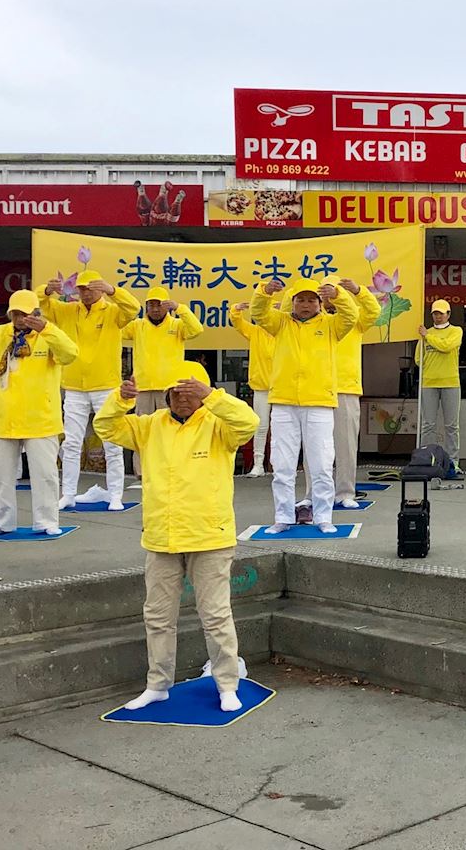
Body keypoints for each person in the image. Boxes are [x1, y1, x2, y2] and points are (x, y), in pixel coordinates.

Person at [94, 360, 259, 714]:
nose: (182, 398)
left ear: (203, 393)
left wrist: (212, 396)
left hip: (209, 537)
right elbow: (105, 426)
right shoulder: (150, 425)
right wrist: (121, 400)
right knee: (157, 617)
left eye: (190, 392)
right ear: (166, 394)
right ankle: (157, 685)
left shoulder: (219, 425)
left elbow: (249, 422)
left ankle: (227, 684)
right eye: (176, 392)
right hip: (161, 538)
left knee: (215, 616)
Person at [0, 289, 78, 537]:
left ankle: (46, 521)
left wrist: (47, 329)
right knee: (0, 476)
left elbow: (70, 354)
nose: (21, 318)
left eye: (26, 314)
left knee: (45, 474)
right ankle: (3, 521)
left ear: (36, 313)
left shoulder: (48, 335)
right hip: (4, 419)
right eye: (16, 313)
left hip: (40, 419)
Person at [251, 277, 358, 534]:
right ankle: (283, 517)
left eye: (312, 300)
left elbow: (351, 316)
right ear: (293, 302)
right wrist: (264, 292)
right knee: (282, 466)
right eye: (301, 300)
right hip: (284, 403)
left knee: (321, 464)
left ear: (320, 303)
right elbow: (258, 312)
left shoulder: (331, 325)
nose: (306, 305)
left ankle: (323, 517)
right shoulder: (280, 323)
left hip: (319, 403)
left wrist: (338, 294)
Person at [42, 270, 139, 511]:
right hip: (74, 386)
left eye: (90, 288)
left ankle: (115, 495)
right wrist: (46, 290)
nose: (85, 293)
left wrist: (112, 290)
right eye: (82, 289)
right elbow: (42, 305)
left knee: (112, 443)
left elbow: (133, 308)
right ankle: (68, 494)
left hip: (106, 386)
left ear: (99, 289)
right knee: (71, 444)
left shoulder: (113, 312)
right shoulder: (67, 310)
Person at [303, 277, 381, 509]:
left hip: (346, 389)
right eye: (324, 291)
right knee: (313, 445)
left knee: (345, 444)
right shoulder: (313, 321)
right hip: (316, 390)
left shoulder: (354, 319)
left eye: (332, 290)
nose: (328, 295)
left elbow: (374, 310)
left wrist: (358, 290)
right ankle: (312, 492)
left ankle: (345, 492)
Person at [122, 287, 205, 478]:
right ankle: (142, 471)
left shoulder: (177, 325)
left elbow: (197, 329)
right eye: (151, 305)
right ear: (146, 307)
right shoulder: (137, 326)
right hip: (143, 388)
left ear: (167, 306)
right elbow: (116, 328)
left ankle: (170, 468)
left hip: (169, 389)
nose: (155, 309)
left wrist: (180, 308)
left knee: (170, 429)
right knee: (142, 430)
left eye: (159, 305)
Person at [229, 297, 279, 477]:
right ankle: (258, 464)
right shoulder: (255, 331)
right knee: (261, 426)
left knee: (281, 429)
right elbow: (237, 323)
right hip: (261, 387)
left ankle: (278, 465)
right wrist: (236, 309)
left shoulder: (283, 331)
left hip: (282, 388)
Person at [417, 300, 464, 480]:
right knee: (428, 425)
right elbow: (418, 359)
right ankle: (425, 460)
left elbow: (447, 346)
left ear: (448, 314)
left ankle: (453, 463)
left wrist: (428, 337)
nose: (438, 316)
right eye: (435, 313)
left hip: (451, 382)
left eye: (441, 313)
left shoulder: (456, 331)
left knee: (452, 425)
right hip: (428, 382)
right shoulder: (425, 333)